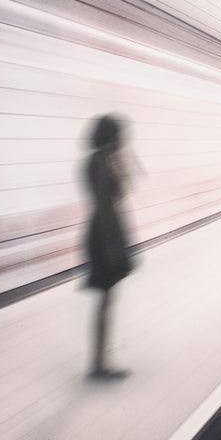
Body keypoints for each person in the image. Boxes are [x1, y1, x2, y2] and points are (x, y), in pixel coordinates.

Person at [84, 113, 133, 379]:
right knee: (105, 300)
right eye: (119, 136)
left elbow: (122, 190)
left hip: (106, 232)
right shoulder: (100, 162)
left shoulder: (100, 160)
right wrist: (113, 247)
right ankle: (99, 365)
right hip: (105, 235)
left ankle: (100, 362)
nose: (122, 141)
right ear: (111, 136)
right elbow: (106, 203)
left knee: (106, 300)